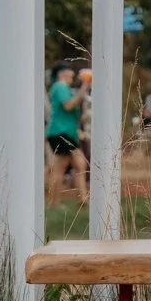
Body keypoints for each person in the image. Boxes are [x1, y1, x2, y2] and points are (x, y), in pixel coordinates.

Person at [45, 65, 84, 200]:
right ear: (62, 74)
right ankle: (55, 202)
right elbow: (68, 105)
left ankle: (83, 198)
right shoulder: (60, 86)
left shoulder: (65, 89)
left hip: (66, 133)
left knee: (79, 164)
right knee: (60, 168)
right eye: (70, 74)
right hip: (61, 132)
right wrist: (85, 87)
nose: (72, 76)